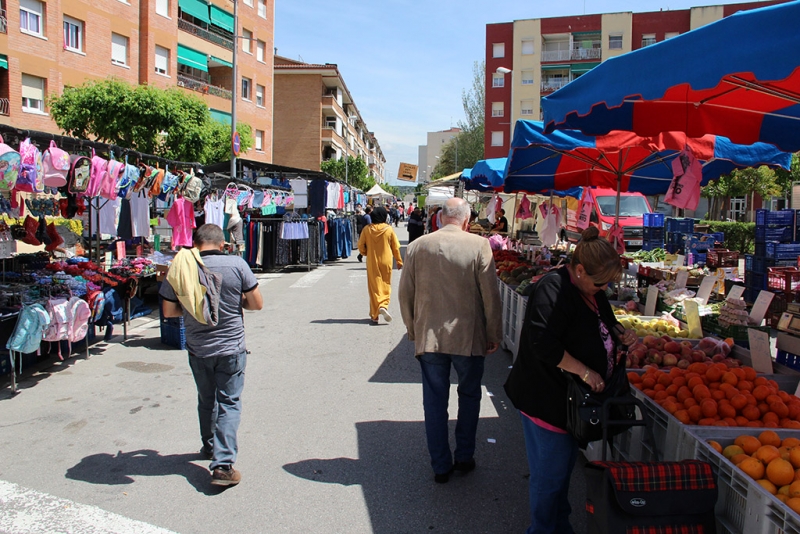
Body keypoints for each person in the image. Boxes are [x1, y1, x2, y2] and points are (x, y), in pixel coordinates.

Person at [503, 226, 637, 533]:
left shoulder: (591, 291)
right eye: (599, 282)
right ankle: (542, 529)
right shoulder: (553, 288)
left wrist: (620, 335)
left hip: (569, 401)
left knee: (560, 474)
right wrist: (585, 371)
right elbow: (543, 344)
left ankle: (558, 527)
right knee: (549, 478)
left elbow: (606, 320)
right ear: (578, 269)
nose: (603, 289)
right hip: (547, 398)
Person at [398, 198, 502, 484]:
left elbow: (405, 291)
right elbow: (490, 295)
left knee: (434, 402)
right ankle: (464, 456)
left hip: (430, 336)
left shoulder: (419, 245)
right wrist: (494, 333)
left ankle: (440, 465)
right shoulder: (478, 245)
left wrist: (412, 328)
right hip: (468, 338)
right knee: (469, 397)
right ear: (467, 220)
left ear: (442, 217)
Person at [160, 224, 264, 487]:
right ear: (222, 243)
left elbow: (169, 312)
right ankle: (223, 465)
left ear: (195, 244)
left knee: (207, 400)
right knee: (229, 403)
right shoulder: (237, 265)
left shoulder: (181, 267)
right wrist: (232, 301)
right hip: (231, 348)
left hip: (198, 348)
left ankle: (209, 447)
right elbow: (256, 304)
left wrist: (194, 305)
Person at [357, 206, 403, 323]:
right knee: (386, 283)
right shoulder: (388, 229)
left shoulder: (367, 229)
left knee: (374, 286)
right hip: (386, 260)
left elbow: (361, 245)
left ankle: (375, 314)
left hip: (372, 260)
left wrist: (365, 253)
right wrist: (399, 261)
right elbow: (396, 247)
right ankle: (384, 305)